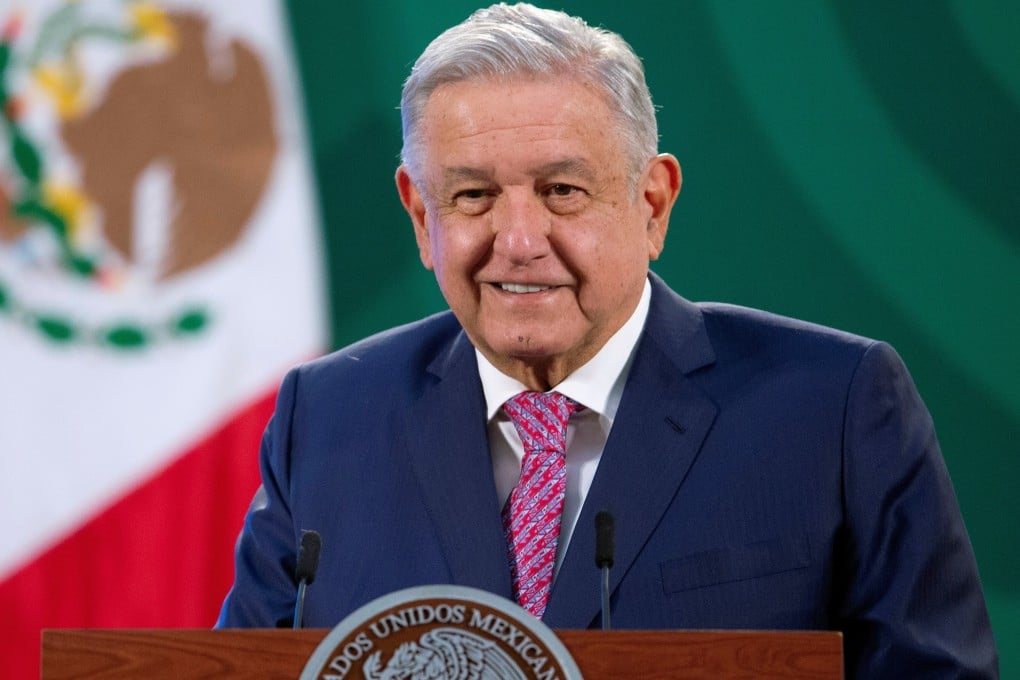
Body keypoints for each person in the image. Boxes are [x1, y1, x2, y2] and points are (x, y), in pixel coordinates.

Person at [217, 3, 998, 676]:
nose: (518, 240)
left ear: (652, 204)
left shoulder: (833, 409)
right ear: (422, 218)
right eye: (473, 196)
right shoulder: (326, 419)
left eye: (562, 191)